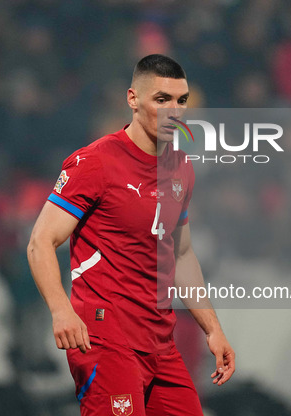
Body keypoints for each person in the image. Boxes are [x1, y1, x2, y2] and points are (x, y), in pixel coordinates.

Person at [27, 54, 235, 415]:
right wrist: (61, 311)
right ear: (133, 99)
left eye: (181, 100)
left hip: (159, 342)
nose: (174, 111)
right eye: (161, 99)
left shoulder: (181, 168)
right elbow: (40, 241)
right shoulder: (95, 162)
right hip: (105, 339)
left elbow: (182, 254)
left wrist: (212, 328)